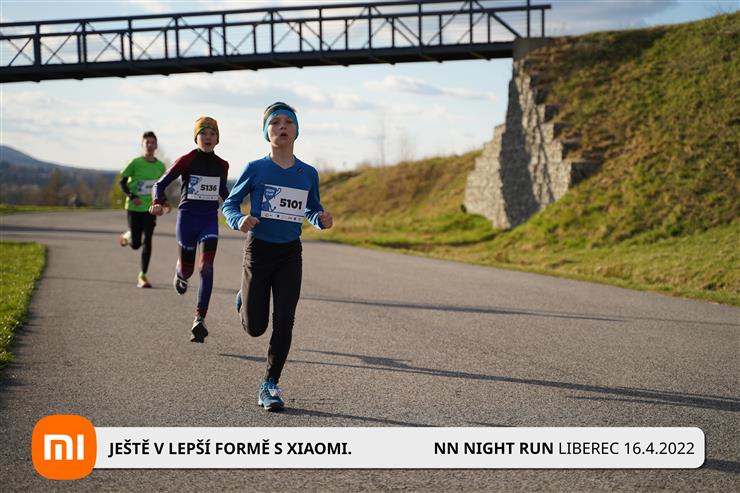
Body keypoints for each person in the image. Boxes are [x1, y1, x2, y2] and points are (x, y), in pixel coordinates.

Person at [222, 102, 333, 412]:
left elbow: (312, 208)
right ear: (266, 132)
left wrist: (320, 219)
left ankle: (270, 383)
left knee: (285, 319)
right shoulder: (255, 168)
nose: (282, 126)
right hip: (258, 250)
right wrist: (238, 219)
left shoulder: (308, 173)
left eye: (288, 122)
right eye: (275, 122)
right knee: (255, 327)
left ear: (296, 131)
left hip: (289, 253)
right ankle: (244, 296)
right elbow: (229, 204)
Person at [150, 117, 230, 343]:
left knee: (206, 267)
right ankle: (180, 272)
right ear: (196, 137)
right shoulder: (186, 160)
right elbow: (159, 184)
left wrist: (233, 208)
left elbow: (223, 191)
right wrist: (157, 201)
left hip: (209, 220)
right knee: (188, 270)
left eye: (212, 133)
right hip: (187, 220)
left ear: (218, 139)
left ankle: (199, 319)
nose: (208, 137)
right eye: (203, 133)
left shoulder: (222, 165)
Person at [118, 131, 168, 288]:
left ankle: (143, 275)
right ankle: (128, 235)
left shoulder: (161, 166)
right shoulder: (135, 163)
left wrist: (165, 202)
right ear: (142, 145)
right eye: (147, 142)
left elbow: (159, 187)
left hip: (150, 209)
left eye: (153, 142)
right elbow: (122, 183)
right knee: (136, 244)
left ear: (156, 145)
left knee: (148, 241)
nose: (150, 145)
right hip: (134, 208)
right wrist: (132, 196)